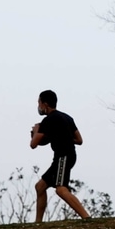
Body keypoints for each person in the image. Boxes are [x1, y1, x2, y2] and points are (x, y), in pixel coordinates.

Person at [30, 89, 90, 221]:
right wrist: (59, 137)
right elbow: (79, 140)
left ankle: (86, 218)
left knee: (60, 189)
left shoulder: (47, 121)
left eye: (39, 102)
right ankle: (38, 224)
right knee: (40, 187)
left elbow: (33, 144)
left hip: (63, 156)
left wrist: (36, 131)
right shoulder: (67, 117)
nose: (38, 106)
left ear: (45, 104)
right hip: (67, 155)